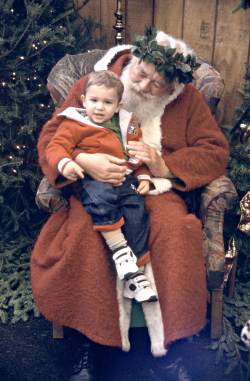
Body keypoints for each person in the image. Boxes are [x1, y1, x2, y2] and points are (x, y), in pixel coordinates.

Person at [31, 27, 229, 381]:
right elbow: (52, 134)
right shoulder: (97, 83)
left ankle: (173, 343)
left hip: (153, 187)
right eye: (141, 74)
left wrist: (163, 164)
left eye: (157, 85)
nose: (143, 86)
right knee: (86, 235)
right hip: (95, 185)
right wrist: (85, 161)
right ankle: (92, 343)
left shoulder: (188, 101)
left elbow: (214, 152)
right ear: (134, 59)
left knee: (176, 232)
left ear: (173, 89)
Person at [45, 70, 159, 303]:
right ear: (84, 100)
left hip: (124, 179)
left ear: (118, 106)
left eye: (107, 102)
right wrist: (65, 162)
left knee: (137, 212)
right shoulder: (74, 123)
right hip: (90, 179)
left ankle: (134, 277)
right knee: (101, 197)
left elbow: (136, 154)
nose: (99, 107)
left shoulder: (127, 124)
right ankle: (119, 250)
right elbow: (55, 147)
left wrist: (145, 176)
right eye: (94, 101)